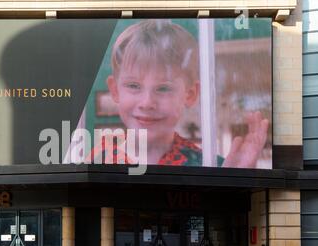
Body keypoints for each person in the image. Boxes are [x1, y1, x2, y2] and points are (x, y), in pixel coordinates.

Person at [91, 19, 269, 168]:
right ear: (115, 90)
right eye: (134, 86)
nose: (146, 102)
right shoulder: (96, 160)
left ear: (190, 95)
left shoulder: (211, 166)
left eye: (163, 88)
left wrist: (231, 184)